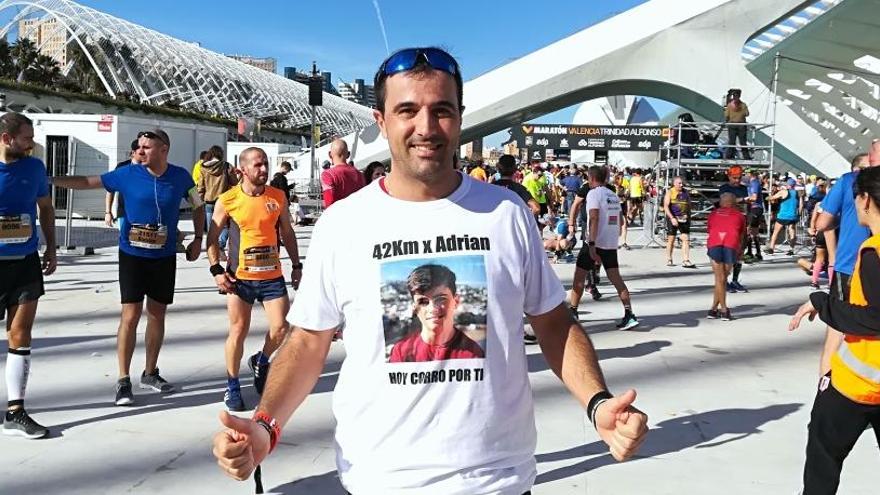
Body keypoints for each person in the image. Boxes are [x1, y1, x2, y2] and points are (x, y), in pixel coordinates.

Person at [212, 46, 648, 494]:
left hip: (497, 481)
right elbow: (307, 341)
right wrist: (265, 425)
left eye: (441, 110)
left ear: (460, 117)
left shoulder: (505, 213)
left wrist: (597, 403)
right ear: (380, 121)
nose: (426, 127)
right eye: (407, 110)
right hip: (380, 481)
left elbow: (554, 322)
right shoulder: (344, 223)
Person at [51, 128, 205, 406]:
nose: (141, 150)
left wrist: (198, 238)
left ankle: (150, 372)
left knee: (157, 314)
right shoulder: (126, 174)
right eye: (140, 146)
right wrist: (51, 180)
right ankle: (123, 379)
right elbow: (88, 181)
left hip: (164, 256)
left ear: (163, 150)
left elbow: (197, 204)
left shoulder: (181, 176)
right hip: (132, 255)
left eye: (147, 147)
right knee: (130, 315)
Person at [789, 165, 880, 495]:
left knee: (822, 460)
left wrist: (823, 304)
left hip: (860, 384)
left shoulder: (873, 252)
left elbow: (874, 318)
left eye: (856, 198)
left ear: (866, 200)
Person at [207, 147, 302, 411]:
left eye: (266, 165)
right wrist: (216, 270)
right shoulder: (228, 200)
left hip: (272, 276)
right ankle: (233, 384)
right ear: (243, 170)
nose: (264, 170)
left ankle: (261, 361)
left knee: (281, 329)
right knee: (238, 331)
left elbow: (287, 232)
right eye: (258, 165)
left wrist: (296, 265)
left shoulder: (278, 196)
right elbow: (212, 239)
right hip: (240, 279)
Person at [0, 112, 56, 439]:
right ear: (7, 140)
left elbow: (45, 207)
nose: (31, 143)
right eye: (25, 138)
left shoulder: (34, 167)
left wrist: (50, 247)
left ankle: (16, 411)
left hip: (24, 262)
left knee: (21, 332)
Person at [814, 150, 875, 378]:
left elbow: (823, 223)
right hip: (869, 260)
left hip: (849, 264)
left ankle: (826, 389)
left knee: (836, 332)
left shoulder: (848, 181)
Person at [570, 166, 639, 330]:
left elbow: (594, 217)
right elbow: (621, 221)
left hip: (593, 243)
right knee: (616, 279)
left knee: (579, 277)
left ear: (592, 178)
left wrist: (592, 243)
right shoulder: (613, 195)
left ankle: (573, 311)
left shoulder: (593, 193)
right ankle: (629, 314)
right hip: (610, 243)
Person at [388, 264, 484, 362]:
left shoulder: (473, 355)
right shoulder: (401, 353)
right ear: (414, 308)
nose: (433, 308)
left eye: (440, 299)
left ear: (456, 302)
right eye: (423, 301)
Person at [706, 193, 746, 320]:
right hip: (730, 244)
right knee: (722, 279)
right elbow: (742, 235)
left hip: (715, 243)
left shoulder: (713, 214)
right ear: (734, 203)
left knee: (719, 279)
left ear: (722, 202)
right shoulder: (740, 216)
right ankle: (723, 310)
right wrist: (740, 251)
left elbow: (709, 229)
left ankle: (713, 309)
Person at [198, 145, 237, 260]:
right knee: (225, 226)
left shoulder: (203, 167)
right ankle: (220, 246)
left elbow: (200, 186)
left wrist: (197, 202)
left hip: (208, 201)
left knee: (212, 228)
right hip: (223, 200)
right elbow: (234, 182)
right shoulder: (226, 166)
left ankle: (212, 252)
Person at [719, 165, 749, 292]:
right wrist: (742, 200)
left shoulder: (743, 188)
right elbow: (726, 202)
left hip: (741, 223)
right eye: (734, 178)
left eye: (739, 177)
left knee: (740, 253)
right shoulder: (724, 188)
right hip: (728, 224)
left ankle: (735, 280)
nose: (737, 180)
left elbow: (747, 206)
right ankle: (724, 280)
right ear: (729, 176)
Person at [104, 139, 139, 227]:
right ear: (133, 153)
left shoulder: (149, 168)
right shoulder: (121, 168)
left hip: (144, 216)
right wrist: (108, 212)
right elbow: (110, 190)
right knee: (125, 239)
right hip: (124, 214)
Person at [321, 139, 365, 208]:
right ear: (348, 154)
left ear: (330, 155)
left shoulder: (327, 175)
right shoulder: (360, 175)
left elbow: (329, 203)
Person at [663, 176, 695, 268]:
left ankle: (686, 260)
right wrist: (672, 218)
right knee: (671, 239)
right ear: (674, 183)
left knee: (685, 239)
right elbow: (666, 206)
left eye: (682, 183)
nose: (681, 185)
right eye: (679, 183)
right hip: (672, 218)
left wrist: (688, 215)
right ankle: (669, 258)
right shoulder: (670, 192)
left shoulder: (686, 192)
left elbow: (689, 205)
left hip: (684, 219)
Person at [765, 178, 799, 255]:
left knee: (775, 232)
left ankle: (771, 248)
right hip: (793, 216)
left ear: (787, 185)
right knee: (792, 232)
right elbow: (801, 205)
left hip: (783, 216)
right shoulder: (797, 193)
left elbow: (771, 198)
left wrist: (767, 197)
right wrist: (798, 214)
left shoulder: (783, 192)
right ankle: (791, 250)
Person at [743, 169, 765, 263]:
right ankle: (758, 253)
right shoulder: (751, 183)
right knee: (754, 232)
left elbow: (754, 198)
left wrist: (744, 199)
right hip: (755, 208)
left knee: (748, 230)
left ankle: (750, 253)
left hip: (755, 208)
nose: (745, 175)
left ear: (750, 174)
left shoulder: (754, 183)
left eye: (746, 174)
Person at [724, 88, 751, 160]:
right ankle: (746, 157)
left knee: (732, 141)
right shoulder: (743, 105)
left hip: (732, 125)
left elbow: (726, 115)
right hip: (741, 125)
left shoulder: (730, 105)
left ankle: (729, 156)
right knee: (743, 142)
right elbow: (747, 114)